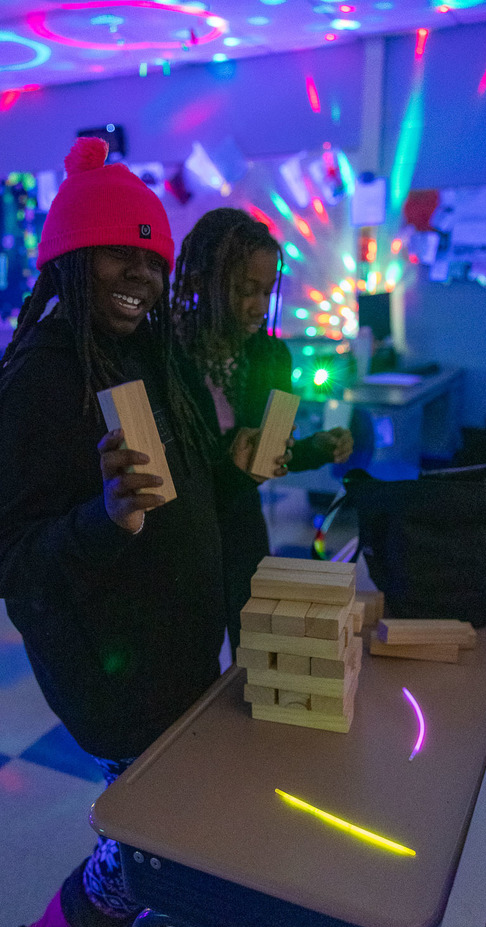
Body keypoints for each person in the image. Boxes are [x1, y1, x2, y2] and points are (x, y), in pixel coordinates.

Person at [0, 139, 242, 927]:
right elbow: (8, 560)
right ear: (69, 261)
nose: (140, 274)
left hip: (179, 639)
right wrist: (100, 521)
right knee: (160, 827)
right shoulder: (38, 383)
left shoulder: (150, 355)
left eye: (152, 257)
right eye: (120, 254)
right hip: (108, 660)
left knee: (168, 820)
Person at [172, 207, 354, 653]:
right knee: (189, 657)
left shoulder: (272, 357)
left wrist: (315, 448)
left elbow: (271, 453)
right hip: (180, 533)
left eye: (266, 291)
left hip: (240, 525)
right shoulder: (165, 357)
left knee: (255, 651)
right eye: (244, 291)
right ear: (198, 281)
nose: (258, 307)